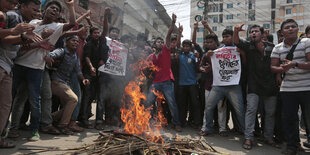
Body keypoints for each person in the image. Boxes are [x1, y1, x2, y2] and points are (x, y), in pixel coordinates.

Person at [9, 0, 76, 141]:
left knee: (35, 100)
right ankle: (12, 129)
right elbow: (22, 45)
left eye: (57, 10)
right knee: (17, 100)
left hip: (36, 69)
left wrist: (70, 7)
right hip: (20, 64)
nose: (54, 10)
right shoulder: (32, 22)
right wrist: (38, 43)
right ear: (44, 10)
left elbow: (71, 24)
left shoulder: (57, 26)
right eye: (51, 8)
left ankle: (34, 130)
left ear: (58, 15)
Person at [234, 24, 279, 149]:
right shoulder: (248, 46)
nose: (253, 33)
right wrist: (236, 31)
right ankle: (248, 138)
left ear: (263, 34)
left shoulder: (272, 47)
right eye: (251, 32)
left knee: (270, 113)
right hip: (254, 85)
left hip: (270, 85)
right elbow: (236, 41)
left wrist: (278, 77)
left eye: (256, 31)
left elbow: (277, 63)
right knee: (251, 111)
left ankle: (268, 137)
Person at [271, 19, 310, 155]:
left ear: (297, 29)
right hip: (288, 89)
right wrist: (281, 69)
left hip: (307, 87)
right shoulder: (277, 48)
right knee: (289, 119)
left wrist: (295, 64)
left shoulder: (306, 42)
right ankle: (292, 146)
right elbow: (273, 67)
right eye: (287, 27)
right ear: (282, 32)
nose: (291, 29)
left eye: (293, 26)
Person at [199, 29, 245, 136]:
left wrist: (242, 53)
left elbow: (245, 63)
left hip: (234, 85)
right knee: (209, 107)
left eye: (227, 36)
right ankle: (207, 128)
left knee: (240, 110)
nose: (225, 39)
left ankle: (247, 134)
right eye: (223, 37)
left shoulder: (239, 48)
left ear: (233, 37)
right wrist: (208, 56)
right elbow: (202, 65)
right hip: (217, 85)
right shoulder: (217, 51)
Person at [146, 13, 182, 132]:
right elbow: (145, 69)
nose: (161, 43)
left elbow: (168, 34)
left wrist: (172, 23)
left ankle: (177, 123)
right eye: (158, 42)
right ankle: (150, 121)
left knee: (172, 103)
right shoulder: (150, 56)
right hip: (155, 83)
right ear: (154, 45)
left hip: (167, 82)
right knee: (149, 102)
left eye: (162, 42)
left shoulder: (166, 50)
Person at [47, 35, 90, 135]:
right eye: (73, 40)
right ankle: (63, 125)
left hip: (65, 83)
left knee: (69, 105)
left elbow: (78, 71)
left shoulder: (75, 56)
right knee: (74, 99)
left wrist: (83, 80)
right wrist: (48, 57)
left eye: (77, 41)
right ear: (66, 42)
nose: (75, 43)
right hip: (56, 82)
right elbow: (51, 55)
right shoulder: (61, 51)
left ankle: (50, 118)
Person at [176, 39, 201, 128]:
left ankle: (196, 122)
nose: (186, 48)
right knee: (182, 104)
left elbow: (198, 68)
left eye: (187, 46)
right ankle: (181, 122)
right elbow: (177, 46)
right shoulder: (179, 56)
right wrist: (180, 33)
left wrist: (198, 58)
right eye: (184, 46)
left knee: (194, 104)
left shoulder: (194, 56)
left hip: (192, 83)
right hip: (182, 84)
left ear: (190, 47)